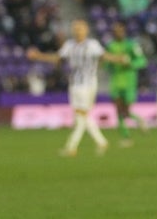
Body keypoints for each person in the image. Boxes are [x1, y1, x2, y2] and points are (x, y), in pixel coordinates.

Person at [26, 18, 130, 157]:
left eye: (80, 28)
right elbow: (58, 58)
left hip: (87, 84)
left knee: (81, 115)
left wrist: (118, 59)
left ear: (86, 30)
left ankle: (71, 147)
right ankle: (101, 142)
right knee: (83, 115)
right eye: (75, 28)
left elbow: (103, 56)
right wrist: (39, 56)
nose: (77, 31)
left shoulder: (92, 45)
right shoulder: (70, 45)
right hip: (74, 84)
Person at [105, 21, 149, 147]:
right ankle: (126, 137)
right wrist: (109, 64)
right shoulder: (110, 46)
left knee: (126, 111)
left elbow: (142, 61)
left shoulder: (131, 45)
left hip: (129, 81)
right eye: (115, 30)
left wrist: (130, 63)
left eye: (120, 30)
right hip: (116, 82)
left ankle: (139, 120)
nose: (117, 33)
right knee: (119, 110)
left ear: (124, 31)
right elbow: (106, 64)